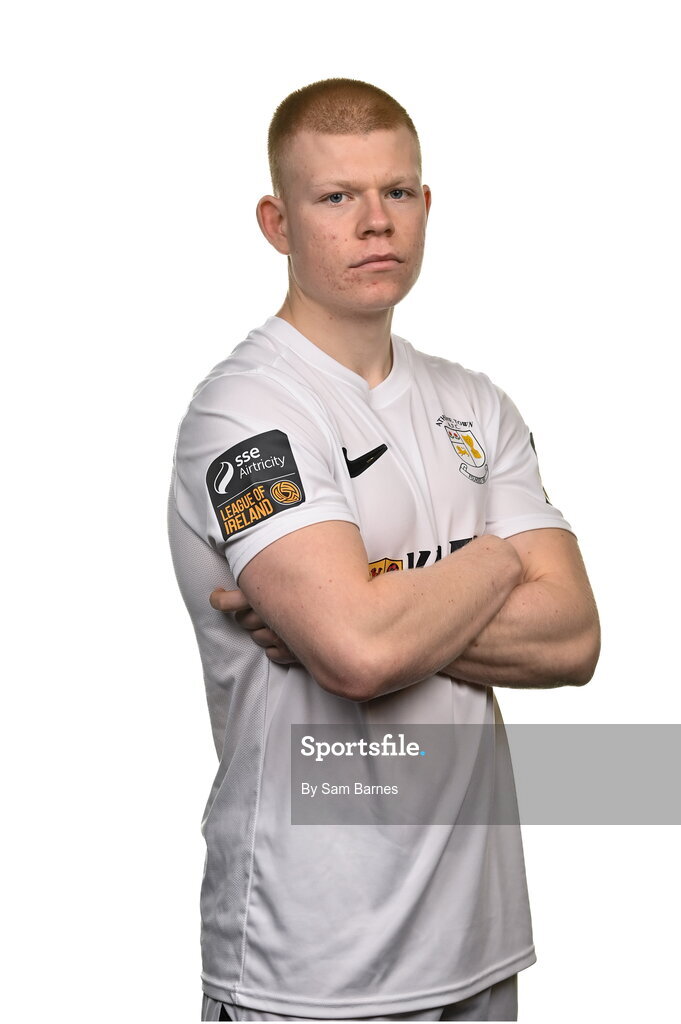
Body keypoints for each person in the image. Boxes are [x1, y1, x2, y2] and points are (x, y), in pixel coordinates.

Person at [167, 78, 600, 1023]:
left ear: (425, 205)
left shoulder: (474, 403)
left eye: (397, 193)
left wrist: (382, 603)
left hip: (477, 942)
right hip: (314, 960)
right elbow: (359, 655)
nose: (375, 223)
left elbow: (573, 640)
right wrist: (492, 560)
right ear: (277, 223)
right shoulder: (247, 410)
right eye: (337, 198)